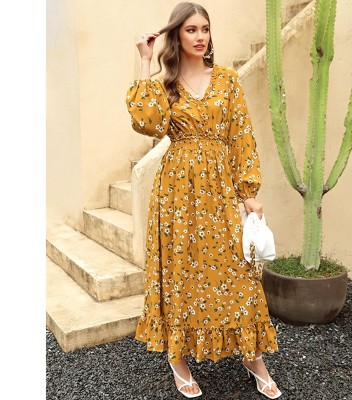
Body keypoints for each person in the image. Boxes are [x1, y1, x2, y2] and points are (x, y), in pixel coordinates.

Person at [126, 2, 282, 398]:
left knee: (237, 271)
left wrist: (248, 193)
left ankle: (252, 356)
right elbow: (146, 123)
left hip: (220, 188)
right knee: (180, 272)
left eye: (205, 29)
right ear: (177, 35)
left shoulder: (226, 79)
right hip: (176, 192)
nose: (200, 37)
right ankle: (177, 358)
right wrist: (144, 61)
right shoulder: (164, 85)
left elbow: (241, 135)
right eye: (191, 29)